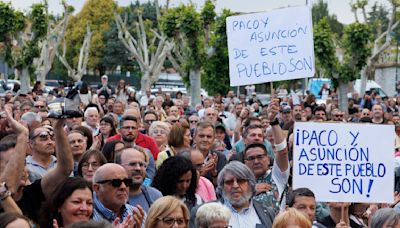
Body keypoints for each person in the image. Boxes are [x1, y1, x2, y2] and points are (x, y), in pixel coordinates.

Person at [193, 161, 275, 227]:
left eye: (241, 181)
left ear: (250, 184)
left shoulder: (267, 213)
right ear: (222, 186)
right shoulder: (202, 212)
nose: (235, 186)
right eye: (229, 182)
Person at [115, 147, 163, 212]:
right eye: (132, 164)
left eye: (141, 164)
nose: (138, 168)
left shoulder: (156, 196)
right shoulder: (110, 197)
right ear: (118, 167)